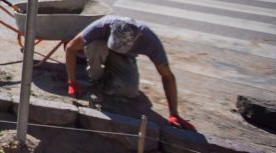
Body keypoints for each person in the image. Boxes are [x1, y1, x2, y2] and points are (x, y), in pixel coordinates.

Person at [64, 16, 195, 130]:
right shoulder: (101, 26)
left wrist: (174, 113)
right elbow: (70, 48)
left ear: (137, 38)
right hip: (101, 46)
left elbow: (167, 76)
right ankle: (96, 80)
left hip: (125, 57)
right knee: (96, 47)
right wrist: (72, 82)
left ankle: (109, 78)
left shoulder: (149, 40)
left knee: (130, 91)